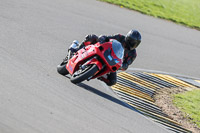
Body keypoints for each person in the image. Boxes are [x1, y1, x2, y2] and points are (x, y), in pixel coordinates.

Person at [68, 29, 141, 86]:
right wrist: (102, 38)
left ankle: (100, 75)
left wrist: (121, 66)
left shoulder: (133, 54)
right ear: (127, 38)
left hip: (112, 62)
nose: (133, 44)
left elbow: (126, 65)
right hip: (105, 52)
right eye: (132, 42)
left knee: (112, 81)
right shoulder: (120, 37)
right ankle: (77, 49)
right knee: (92, 37)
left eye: (135, 43)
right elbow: (107, 37)